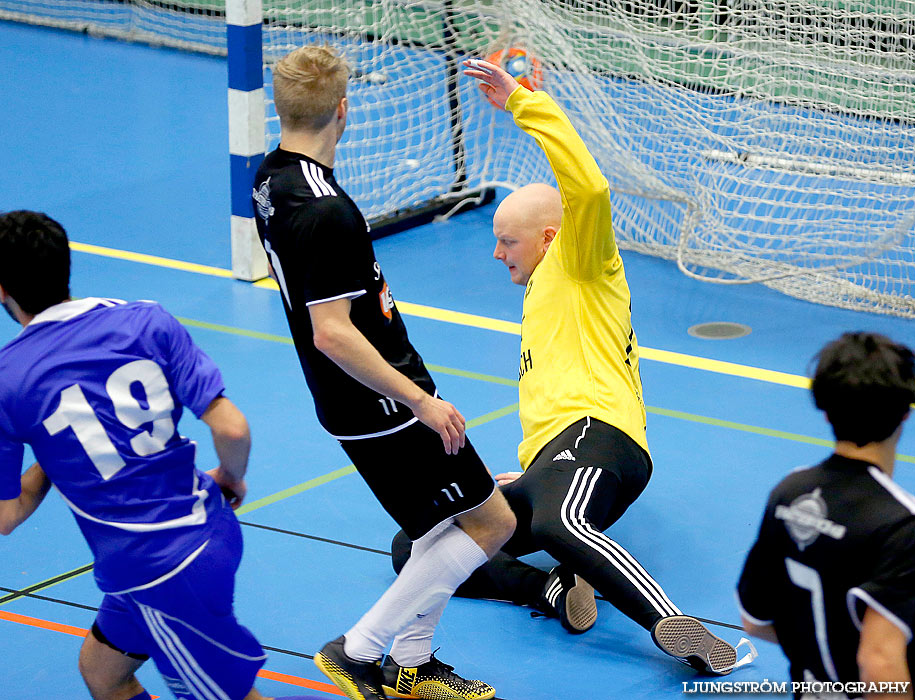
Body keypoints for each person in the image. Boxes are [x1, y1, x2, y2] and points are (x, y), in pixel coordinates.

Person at [406, 57, 741, 674]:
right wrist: (525, 477)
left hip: (602, 438)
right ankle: (551, 592)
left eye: (508, 239)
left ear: (550, 238)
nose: (497, 250)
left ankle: (672, 627)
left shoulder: (584, 265)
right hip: (552, 461)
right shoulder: (541, 296)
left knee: (561, 520)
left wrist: (521, 103)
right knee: (417, 544)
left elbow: (587, 189)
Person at [250, 46, 516, 700]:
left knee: (438, 529)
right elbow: (333, 332)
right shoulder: (327, 212)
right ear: (344, 110)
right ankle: (360, 649)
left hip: (356, 396)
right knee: (492, 524)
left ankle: (414, 664)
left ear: (280, 109)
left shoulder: (267, 178)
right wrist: (420, 401)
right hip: (381, 399)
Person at [0, 211, 320, 700]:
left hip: (158, 568)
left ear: (3, 290)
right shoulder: (145, 319)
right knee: (102, 673)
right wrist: (231, 477)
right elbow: (231, 427)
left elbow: (7, 515)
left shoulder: (9, 379)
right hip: (203, 531)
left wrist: (53, 447)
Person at [737, 332, 915, 699]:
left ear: (824, 408)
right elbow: (880, 664)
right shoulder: (904, 524)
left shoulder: (789, 493)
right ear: (905, 412)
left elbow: (755, 622)